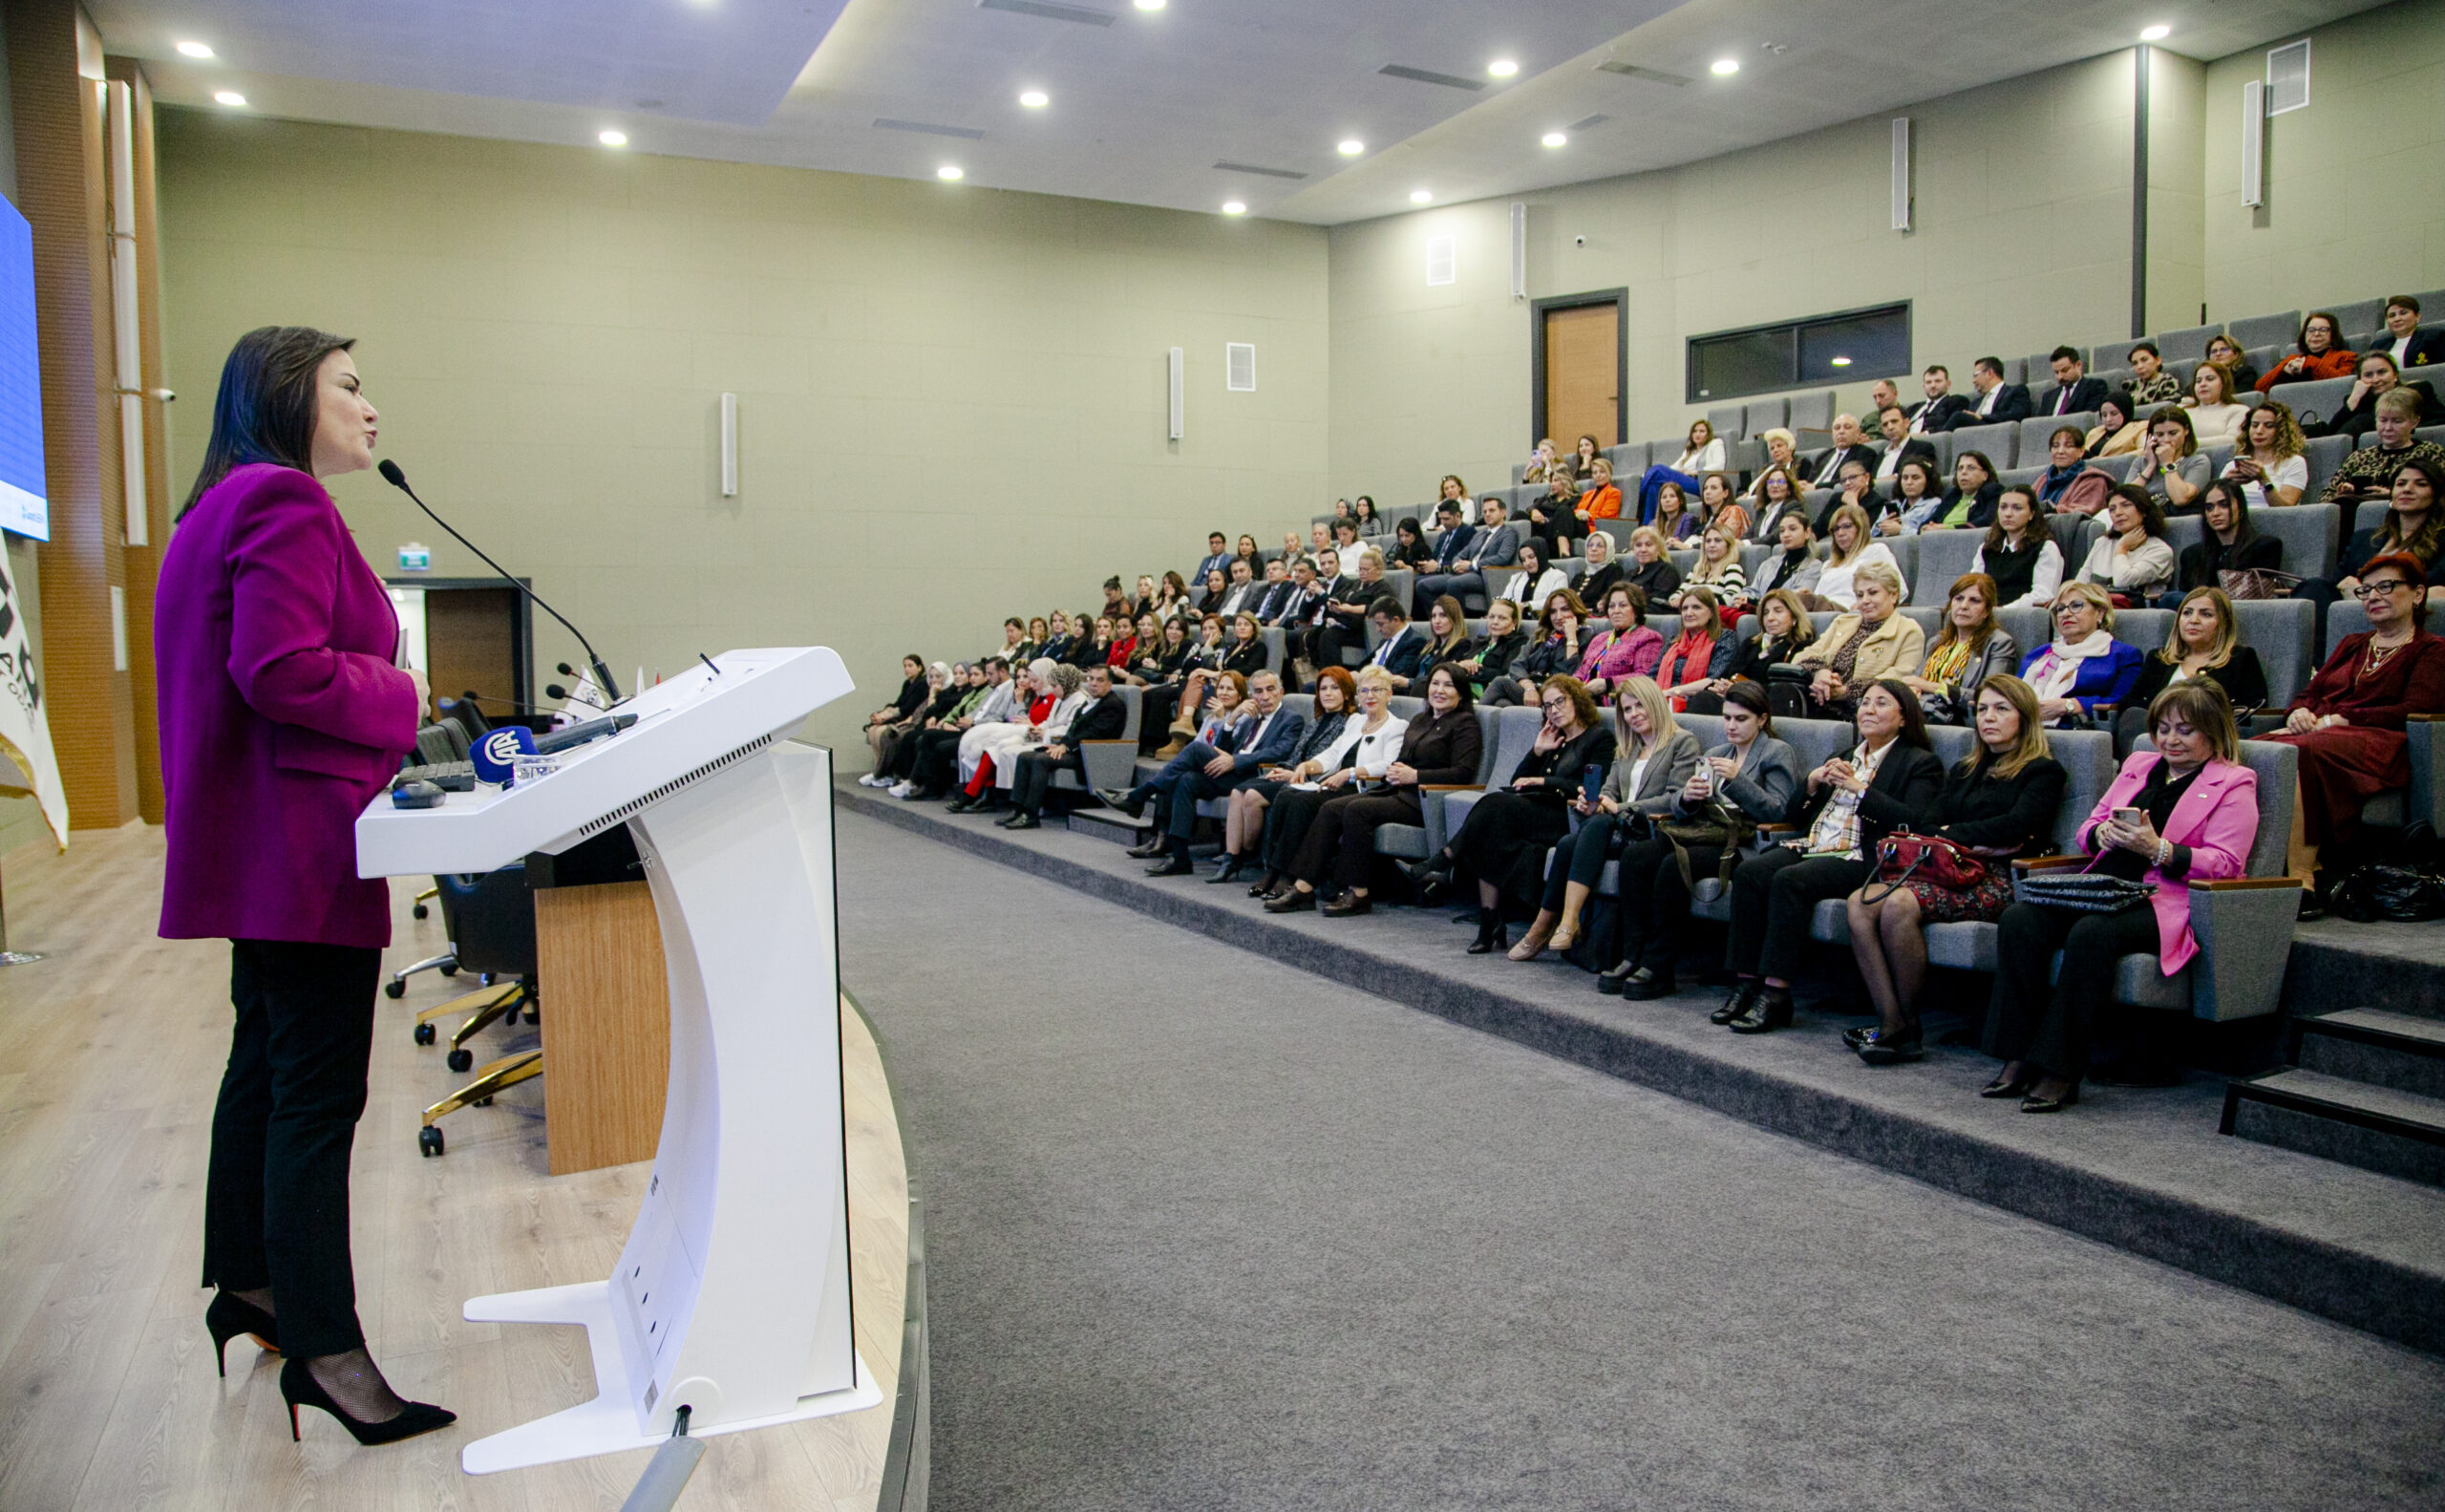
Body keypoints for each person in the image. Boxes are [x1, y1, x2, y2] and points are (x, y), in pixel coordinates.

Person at [156, 326, 454, 1444]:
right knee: (317, 1096)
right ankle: (328, 1353)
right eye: (350, 387)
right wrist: (400, 690)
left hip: (247, 847)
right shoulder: (283, 500)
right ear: (289, 396)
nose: (370, 410)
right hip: (300, 843)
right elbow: (278, 670)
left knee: (265, 1071)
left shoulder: (209, 510)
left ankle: (252, 1284)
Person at [1985, 682, 2258, 1108]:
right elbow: (2086, 828)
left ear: (2213, 730)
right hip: (2104, 885)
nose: (2170, 739)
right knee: (2021, 920)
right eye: (2163, 728)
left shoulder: (2234, 782)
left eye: (2185, 730)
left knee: (2092, 933)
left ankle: (2060, 1069)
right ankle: (2018, 1057)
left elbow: (2227, 863)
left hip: (2166, 899)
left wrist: (2160, 849)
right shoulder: (2139, 764)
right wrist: (2102, 834)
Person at [1843, 675, 2068, 1064]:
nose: (1988, 718)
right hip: (1948, 868)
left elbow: (2017, 827)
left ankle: (1907, 1026)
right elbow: (1928, 823)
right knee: (1859, 902)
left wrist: (1955, 833)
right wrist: (1963, 836)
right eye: (1982, 709)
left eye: (2001, 709)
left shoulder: (2042, 771)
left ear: (2025, 717)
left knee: (1897, 905)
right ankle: (1895, 1023)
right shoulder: (1967, 768)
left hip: (1998, 877)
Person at [1719, 679, 1945, 1033]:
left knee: (1789, 880)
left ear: (1904, 718)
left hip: (1864, 858)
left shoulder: (1919, 763)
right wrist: (1810, 784)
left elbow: (1914, 823)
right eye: (1865, 702)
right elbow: (1794, 818)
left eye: (1881, 703)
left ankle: (1776, 995)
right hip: (1816, 846)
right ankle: (1746, 984)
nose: (1868, 709)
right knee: (1751, 872)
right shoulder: (1842, 755)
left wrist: (1860, 789)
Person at [1594, 682, 1802, 997]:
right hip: (1703, 831)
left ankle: (1659, 965)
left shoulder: (1776, 751)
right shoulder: (1717, 753)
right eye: (1727, 718)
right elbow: (1680, 805)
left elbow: (1780, 810)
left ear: (1761, 719)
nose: (1731, 726)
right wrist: (1688, 798)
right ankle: (1631, 954)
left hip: (1742, 843)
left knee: (1674, 864)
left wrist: (1737, 780)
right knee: (1638, 857)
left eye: (1741, 719)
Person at [2264, 553, 2445, 894]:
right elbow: (2310, 692)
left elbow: (2418, 708)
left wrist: (2343, 718)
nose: (2373, 596)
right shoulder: (2352, 644)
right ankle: (2264, 868)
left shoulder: (2432, 650)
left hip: (2383, 743)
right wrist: (2298, 712)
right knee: (2258, 747)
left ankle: (2303, 877)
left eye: (2386, 586)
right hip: (2326, 734)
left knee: (2299, 752)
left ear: (2418, 594)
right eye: (2366, 590)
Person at [1403, 675, 1615, 951]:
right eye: (1548, 706)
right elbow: (1518, 780)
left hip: (1567, 817)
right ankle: (1489, 923)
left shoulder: (1598, 738)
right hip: (1534, 813)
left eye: (1559, 702)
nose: (1554, 710)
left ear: (1576, 699)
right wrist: (1537, 751)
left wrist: (1545, 782)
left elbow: (1592, 788)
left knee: (1493, 805)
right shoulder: (1554, 739)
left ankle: (1443, 861)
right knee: (1490, 832)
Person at [1504, 676, 1696, 961]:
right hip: (1612, 828)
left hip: (1650, 831)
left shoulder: (1682, 742)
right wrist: (1592, 802)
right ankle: (1549, 925)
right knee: (1569, 842)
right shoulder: (1628, 747)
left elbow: (1674, 798)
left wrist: (1620, 808)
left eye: (1639, 706)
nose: (1634, 715)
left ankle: (1559, 923)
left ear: (1655, 703)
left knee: (1595, 827)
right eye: (1627, 710)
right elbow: (1608, 790)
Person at [1267, 665, 1483, 916]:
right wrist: (1395, 770)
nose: (1439, 690)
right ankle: (1303, 888)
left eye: (1448, 685)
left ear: (1461, 692)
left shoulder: (1465, 724)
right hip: (1396, 790)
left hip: (1425, 799)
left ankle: (1359, 894)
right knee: (1331, 808)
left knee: (1358, 809)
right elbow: (1400, 759)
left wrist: (1415, 775)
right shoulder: (1421, 719)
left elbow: (1462, 773)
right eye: (1435, 684)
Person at [1250, 668, 1408, 898]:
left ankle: (1286, 875)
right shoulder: (1356, 721)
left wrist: (1350, 773)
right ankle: (1274, 870)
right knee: (1288, 794)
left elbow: (1388, 764)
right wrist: (1308, 766)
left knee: (1302, 802)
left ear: (1389, 694)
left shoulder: (1396, 726)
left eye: (1377, 690)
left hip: (1363, 788)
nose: (1370, 696)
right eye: (1364, 690)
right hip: (1336, 782)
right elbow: (1333, 754)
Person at [1139, 671, 1307, 875]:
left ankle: (1142, 793)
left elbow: (1279, 751)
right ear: (1252, 696)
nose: (1264, 696)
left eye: (1270, 690)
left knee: (1194, 749)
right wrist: (1233, 718)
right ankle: (1180, 857)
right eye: (1258, 691)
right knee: (1186, 779)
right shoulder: (1249, 717)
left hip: (1255, 776)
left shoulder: (1291, 719)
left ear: (1281, 692)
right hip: (1231, 774)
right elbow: (1221, 748)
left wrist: (1235, 761)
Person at [1214, 668, 1355, 886]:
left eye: (1334, 688)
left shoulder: (1349, 723)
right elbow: (1296, 754)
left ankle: (1247, 851)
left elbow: (1332, 762)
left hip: (1311, 781)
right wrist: (1283, 769)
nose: (1327, 693)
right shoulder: (1316, 722)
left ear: (1346, 693)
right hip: (1292, 774)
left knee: (1252, 795)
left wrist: (1294, 772)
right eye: (1323, 689)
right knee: (1237, 792)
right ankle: (1231, 858)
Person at [2119, 587, 2271, 750]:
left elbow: (2253, 708)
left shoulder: (2240, 658)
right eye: (2187, 613)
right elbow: (2130, 702)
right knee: (2134, 715)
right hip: (2158, 733)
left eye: (2206, 614)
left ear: (2223, 623)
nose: (2194, 620)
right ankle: (2138, 769)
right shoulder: (2159, 659)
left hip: (2208, 738)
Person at [1790, 563, 1922, 719]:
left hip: (1862, 711)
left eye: (1873, 593)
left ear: (1893, 595)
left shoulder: (1908, 630)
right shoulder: (1842, 622)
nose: (1865, 600)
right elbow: (1803, 656)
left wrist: (1845, 691)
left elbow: (1898, 679)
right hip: (1816, 698)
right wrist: (1821, 672)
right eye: (1859, 595)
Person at [1002, 665, 1127, 829]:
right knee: (1025, 756)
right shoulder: (1090, 702)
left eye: (1100, 680)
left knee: (1041, 760)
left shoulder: (1113, 704)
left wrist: (1066, 747)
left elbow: (1095, 733)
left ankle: (1031, 814)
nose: (1093, 684)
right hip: (1076, 749)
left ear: (1110, 683)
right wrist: (1060, 744)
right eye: (1090, 679)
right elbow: (1073, 729)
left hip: (1092, 754)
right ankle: (1017, 808)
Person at [1902, 573, 2021, 724]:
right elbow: (1916, 680)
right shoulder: (1936, 642)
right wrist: (1913, 688)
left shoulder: (1999, 643)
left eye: (1974, 601)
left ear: (1986, 611)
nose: (1963, 606)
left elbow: (1988, 696)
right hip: (1923, 708)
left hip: (1957, 716)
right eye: (1958, 598)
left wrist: (1929, 686)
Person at [2019, 581, 2142, 727]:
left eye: (2076, 606)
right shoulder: (2038, 654)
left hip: (2074, 730)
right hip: (2021, 727)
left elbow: (2122, 703)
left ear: (2099, 613)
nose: (2066, 613)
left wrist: (2070, 705)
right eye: (2060, 608)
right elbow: (2012, 693)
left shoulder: (2122, 655)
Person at [1690, 588, 1816, 714]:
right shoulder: (1750, 644)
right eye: (1766, 613)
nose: (1770, 618)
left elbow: (1788, 688)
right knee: (1704, 698)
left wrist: (1743, 690)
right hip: (1735, 701)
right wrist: (1720, 687)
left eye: (1778, 611)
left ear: (1794, 616)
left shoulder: (1803, 646)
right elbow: (1729, 675)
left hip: (1765, 705)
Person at [2321, 390, 2445, 502]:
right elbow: (2325, 497)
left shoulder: (2430, 453)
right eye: (2383, 420)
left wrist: (2394, 495)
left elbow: (2440, 494)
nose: (2388, 428)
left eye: (2397, 421)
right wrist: (2342, 494)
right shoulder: (2359, 457)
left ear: (2415, 422)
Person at [2175, 481, 2284, 599]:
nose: (2215, 513)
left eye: (2224, 505)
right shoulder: (2192, 554)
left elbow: (2257, 594)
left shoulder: (2265, 547)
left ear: (2240, 508)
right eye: (2209, 508)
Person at [2073, 484, 2179, 604]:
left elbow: (2122, 581)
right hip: (2092, 609)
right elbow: (2079, 584)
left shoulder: (2160, 551)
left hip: (2132, 614)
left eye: (2126, 505)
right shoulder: (2102, 543)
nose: (2118, 513)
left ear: (2143, 511)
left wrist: (2122, 549)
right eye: (2112, 509)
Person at [1484, 589, 1588, 708]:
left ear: (1576, 610)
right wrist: (1529, 687)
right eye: (1553, 611)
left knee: (1500, 683)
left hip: (1560, 696)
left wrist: (1571, 637)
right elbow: (1517, 664)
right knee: (1502, 704)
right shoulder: (1542, 634)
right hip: (1534, 689)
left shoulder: (1586, 637)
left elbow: (1571, 675)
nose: (1558, 616)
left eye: (1565, 609)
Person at [1972, 486, 2065, 608]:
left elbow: (2043, 595)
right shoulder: (1986, 548)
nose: (2008, 514)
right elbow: (1973, 586)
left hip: (2020, 618)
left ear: (2031, 514)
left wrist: (2003, 611)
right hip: (1985, 615)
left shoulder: (2046, 548)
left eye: (2017, 508)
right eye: (2003, 507)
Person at [1575, 583, 1665, 698]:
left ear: (1636, 610)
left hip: (1618, 700)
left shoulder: (1648, 637)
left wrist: (1608, 684)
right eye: (1611, 606)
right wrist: (1573, 684)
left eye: (1623, 605)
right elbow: (1582, 670)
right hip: (1585, 699)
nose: (1616, 611)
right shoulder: (1600, 638)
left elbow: (1644, 676)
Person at [1313, 546, 1392, 673]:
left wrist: (1350, 609)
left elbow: (1380, 608)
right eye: (1360, 569)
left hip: (1364, 629)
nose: (1361, 573)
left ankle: (1335, 676)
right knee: (1317, 633)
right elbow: (1337, 596)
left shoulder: (1383, 588)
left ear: (1378, 570)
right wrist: (1336, 604)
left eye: (1365, 569)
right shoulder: (1357, 583)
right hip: (1346, 623)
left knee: (1329, 636)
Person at [2313, 351, 2422, 442]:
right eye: (2368, 375)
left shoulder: (2417, 390)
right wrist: (2354, 397)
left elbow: (2433, 423)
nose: (2376, 379)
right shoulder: (2358, 400)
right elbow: (2332, 434)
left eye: (2382, 372)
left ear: (2395, 375)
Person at [1814, 503, 1906, 608]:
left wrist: (1864, 604)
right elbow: (1817, 597)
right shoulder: (1828, 564)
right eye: (1836, 529)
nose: (1840, 533)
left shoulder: (1876, 551)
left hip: (1849, 611)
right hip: (1822, 611)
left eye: (1847, 526)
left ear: (1860, 528)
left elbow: (1900, 590)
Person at [2222, 399, 2309, 507]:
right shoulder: (2233, 466)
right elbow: (2214, 507)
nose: (2259, 431)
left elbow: (2286, 509)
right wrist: (2226, 484)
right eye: (2254, 425)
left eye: (2268, 426)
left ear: (2281, 431)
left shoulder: (2294, 462)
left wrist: (2263, 479)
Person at [1636, 419, 1725, 522]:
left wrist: (1697, 471)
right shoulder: (1690, 450)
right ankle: (1650, 527)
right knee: (1653, 485)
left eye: (1702, 431)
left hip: (1701, 483)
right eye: (1695, 431)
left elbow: (1719, 465)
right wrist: (1647, 474)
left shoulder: (1715, 443)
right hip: (1686, 480)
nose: (1697, 434)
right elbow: (1673, 468)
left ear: (1708, 433)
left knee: (1658, 469)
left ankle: (1637, 499)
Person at [1654, 587, 1733, 701]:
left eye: (1696, 607)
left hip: (1698, 700)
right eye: (1685, 608)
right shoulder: (1674, 642)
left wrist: (1671, 692)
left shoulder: (1724, 638)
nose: (1688, 613)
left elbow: (1713, 680)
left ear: (1711, 612)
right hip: (1663, 699)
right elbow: (1652, 675)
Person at [2125, 406, 2210, 511]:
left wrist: (2167, 463)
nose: (2166, 440)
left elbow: (2180, 499)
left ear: (2186, 430)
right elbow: (2124, 501)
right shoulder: (2140, 462)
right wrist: (2150, 466)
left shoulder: (2198, 461)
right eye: (2160, 435)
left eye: (2173, 433)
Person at [2255, 309, 2356, 392]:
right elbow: (2259, 388)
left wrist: (2309, 363)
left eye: (2323, 330)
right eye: (2311, 330)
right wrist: (2284, 370)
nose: (2316, 334)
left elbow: (2344, 383)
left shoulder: (2346, 356)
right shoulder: (2293, 359)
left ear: (2333, 334)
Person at [1452, 596, 1531, 697]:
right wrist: (1461, 665)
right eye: (1491, 617)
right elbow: (1458, 665)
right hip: (1462, 690)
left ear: (1514, 622)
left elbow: (1506, 674)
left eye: (1502, 618)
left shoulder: (1518, 643)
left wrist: (1470, 671)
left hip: (1491, 694)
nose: (1495, 622)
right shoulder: (1480, 642)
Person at [863, 654, 928, 771]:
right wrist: (882, 713)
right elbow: (898, 702)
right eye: (905, 666)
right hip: (901, 714)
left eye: (910, 665)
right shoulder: (907, 683)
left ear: (919, 667)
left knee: (880, 733)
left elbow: (908, 707)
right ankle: (878, 767)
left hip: (908, 718)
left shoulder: (922, 684)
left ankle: (885, 771)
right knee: (872, 730)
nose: (906, 669)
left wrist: (884, 717)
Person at [1358, 595, 1432, 692]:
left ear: (1396, 620)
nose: (1378, 629)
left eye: (1381, 624)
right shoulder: (1385, 640)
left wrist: (1362, 678)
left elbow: (1395, 674)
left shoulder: (1415, 642)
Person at [1921, 450, 2005, 532]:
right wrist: (1925, 527)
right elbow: (1930, 521)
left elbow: (1988, 520)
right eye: (1960, 468)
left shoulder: (1992, 491)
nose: (1963, 472)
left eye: (1971, 468)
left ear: (1985, 475)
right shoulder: (1951, 495)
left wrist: (1948, 528)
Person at [1945, 354, 2034, 429]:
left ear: (1990, 373)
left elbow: (2017, 415)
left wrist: (1983, 417)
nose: (1974, 381)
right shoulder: (1975, 403)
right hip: (1972, 435)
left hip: (1998, 430)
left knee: (1958, 416)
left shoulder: (2016, 391)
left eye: (1976, 376)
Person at [1751, 512, 1823, 601]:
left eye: (1793, 529)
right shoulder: (1769, 563)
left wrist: (1755, 602)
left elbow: (1798, 598)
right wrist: (1742, 598)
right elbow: (1752, 590)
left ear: (1807, 533)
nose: (1786, 535)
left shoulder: (1814, 566)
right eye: (1782, 531)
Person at [2034, 425, 2106, 512]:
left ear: (2081, 451)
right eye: (2056, 446)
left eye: (2068, 446)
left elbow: (2082, 512)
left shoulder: (2093, 480)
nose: (2060, 451)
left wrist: (2053, 510)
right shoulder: (2043, 479)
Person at [2180, 359, 2250, 449]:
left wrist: (2185, 443)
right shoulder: (2183, 411)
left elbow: (2233, 441)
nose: (2202, 384)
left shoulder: (2239, 410)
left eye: (2210, 379)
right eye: (2198, 381)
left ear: (2224, 383)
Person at [1677, 525, 1748, 613]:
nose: (1712, 545)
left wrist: (1700, 606)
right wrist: (1675, 599)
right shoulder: (1697, 569)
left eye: (1718, 540)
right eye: (1708, 541)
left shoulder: (1733, 568)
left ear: (1728, 545)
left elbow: (1731, 598)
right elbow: (1680, 592)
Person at [1415, 595, 1476, 688]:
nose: (1437, 621)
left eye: (1443, 615)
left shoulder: (1462, 645)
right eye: (1433, 616)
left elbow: (1443, 676)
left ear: (1454, 619)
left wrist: (1409, 682)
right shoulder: (1429, 645)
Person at [1494, 540, 1567, 614]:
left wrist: (1527, 605)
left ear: (1541, 555)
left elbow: (1555, 602)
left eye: (1531, 557)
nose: (1527, 563)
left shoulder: (1559, 576)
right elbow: (1505, 600)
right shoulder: (1516, 578)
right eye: (1523, 560)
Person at [2375, 294, 2445, 370]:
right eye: (2392, 315)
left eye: (2403, 313)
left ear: (2417, 316)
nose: (2397, 319)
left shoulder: (2434, 338)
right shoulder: (2378, 346)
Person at [1524, 469, 1583, 558]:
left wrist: (1545, 520)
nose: (1552, 484)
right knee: (1519, 514)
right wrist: (1534, 511)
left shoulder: (1576, 499)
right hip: (1543, 529)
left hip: (1559, 529)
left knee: (1563, 510)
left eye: (1555, 480)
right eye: (1551, 481)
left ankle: (1564, 554)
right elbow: (1530, 507)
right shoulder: (1548, 497)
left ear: (1565, 481)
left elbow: (1569, 518)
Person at [1873, 404, 1936, 483]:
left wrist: (1875, 482)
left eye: (1894, 421)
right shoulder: (1879, 456)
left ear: (1906, 423)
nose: (1890, 427)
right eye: (1885, 424)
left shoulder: (1922, 448)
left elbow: (1921, 477)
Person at [1880, 456, 1942, 537]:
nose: (1909, 482)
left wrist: (1900, 530)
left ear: (1928, 480)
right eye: (1905, 478)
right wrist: (1882, 526)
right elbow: (1870, 534)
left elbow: (1928, 536)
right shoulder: (1894, 504)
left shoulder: (1934, 504)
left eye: (1915, 478)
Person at [1621, 525, 1683, 606]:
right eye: (1638, 545)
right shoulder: (1629, 574)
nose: (1643, 550)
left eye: (1649, 545)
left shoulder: (1666, 571)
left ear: (1658, 549)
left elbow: (1657, 602)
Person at [1744, 466, 1809, 543]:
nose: (1774, 486)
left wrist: (1748, 543)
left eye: (1780, 482)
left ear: (1789, 489)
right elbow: (1750, 533)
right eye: (1771, 482)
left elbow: (1777, 535)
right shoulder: (1762, 510)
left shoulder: (1793, 506)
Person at [2042, 346, 2110, 416]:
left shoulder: (2094, 387)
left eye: (2065, 370)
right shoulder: (2048, 397)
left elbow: (2088, 418)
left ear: (2078, 365)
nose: (2060, 377)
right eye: (2056, 372)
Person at [1905, 364, 1969, 434]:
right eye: (1928, 382)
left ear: (1948, 384)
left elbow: (1951, 426)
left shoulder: (1956, 402)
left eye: (1938, 381)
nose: (1933, 385)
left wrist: (1925, 434)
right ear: (1924, 386)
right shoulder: (1913, 408)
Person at [2083, 393, 2146, 458]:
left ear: (2125, 412)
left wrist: (2106, 461)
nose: (2108, 419)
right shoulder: (2094, 432)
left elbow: (2144, 451)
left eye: (2114, 414)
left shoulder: (2141, 427)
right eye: (2104, 415)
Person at [1573, 528, 1625, 608]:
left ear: (1608, 550)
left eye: (1599, 546)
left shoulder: (1613, 571)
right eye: (1590, 545)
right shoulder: (1579, 576)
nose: (1593, 549)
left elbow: (1607, 599)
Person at [1692, 470, 1749, 543]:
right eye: (1705, 488)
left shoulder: (1734, 511)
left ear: (1725, 493)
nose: (1707, 492)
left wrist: (1689, 546)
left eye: (1714, 488)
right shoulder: (1706, 518)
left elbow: (1721, 540)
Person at [2126, 340, 2182, 407]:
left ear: (2158, 360)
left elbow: (2168, 411)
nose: (2140, 366)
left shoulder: (2168, 382)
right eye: (2135, 363)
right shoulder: (2129, 387)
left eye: (2144, 360)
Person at [1576, 456, 1626, 527]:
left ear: (1609, 474)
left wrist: (1587, 515)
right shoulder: (1587, 494)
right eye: (1595, 473)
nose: (1598, 475)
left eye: (1602, 472)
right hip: (1581, 524)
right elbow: (1577, 511)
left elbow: (1606, 516)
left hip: (1596, 527)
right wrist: (1579, 513)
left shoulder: (1614, 492)